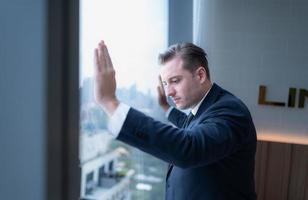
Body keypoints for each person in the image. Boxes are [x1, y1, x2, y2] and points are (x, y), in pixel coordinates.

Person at [94, 41, 257, 200]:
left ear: (200, 75)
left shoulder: (231, 111)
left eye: (175, 81)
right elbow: (189, 123)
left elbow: (189, 147)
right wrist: (166, 108)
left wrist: (110, 102)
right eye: (165, 83)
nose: (169, 92)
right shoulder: (205, 109)